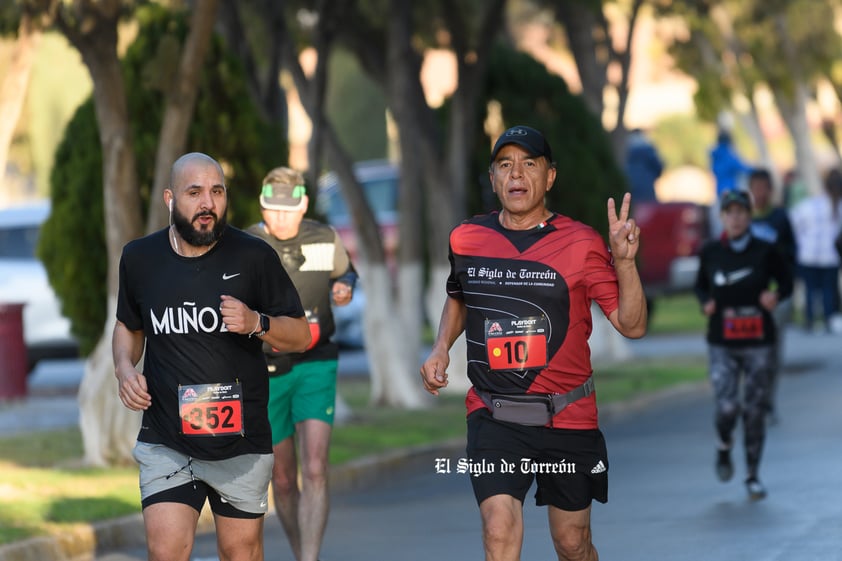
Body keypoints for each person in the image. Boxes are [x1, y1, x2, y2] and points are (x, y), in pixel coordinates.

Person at [420, 125, 647, 561]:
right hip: (494, 414)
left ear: (550, 177)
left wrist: (624, 263)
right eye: (505, 165)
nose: (516, 174)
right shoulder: (467, 238)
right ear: (493, 179)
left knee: (572, 543)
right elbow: (460, 295)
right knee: (498, 530)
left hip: (568, 415)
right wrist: (440, 347)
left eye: (529, 164)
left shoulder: (581, 243)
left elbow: (632, 325)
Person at [113, 152, 311, 561]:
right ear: (171, 199)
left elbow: (301, 334)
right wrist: (123, 368)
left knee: (240, 553)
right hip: (167, 438)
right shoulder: (140, 259)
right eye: (195, 192)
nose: (208, 203)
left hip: (240, 441)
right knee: (165, 550)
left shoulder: (253, 257)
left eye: (217, 192)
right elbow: (129, 326)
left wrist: (257, 321)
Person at [246, 167, 357, 561]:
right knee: (283, 478)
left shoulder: (324, 238)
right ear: (263, 206)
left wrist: (344, 287)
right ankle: (299, 552)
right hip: (268, 369)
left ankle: (310, 558)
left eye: (288, 210)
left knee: (314, 468)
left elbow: (346, 273)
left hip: (316, 361)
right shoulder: (249, 244)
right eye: (273, 210)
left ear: (303, 204)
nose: (280, 218)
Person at [694, 190, 793, 501]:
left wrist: (774, 296)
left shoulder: (766, 250)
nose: (735, 218)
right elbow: (700, 285)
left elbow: (787, 282)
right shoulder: (710, 251)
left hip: (759, 341)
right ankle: (724, 446)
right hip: (722, 341)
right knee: (727, 407)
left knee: (753, 411)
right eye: (730, 212)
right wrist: (706, 302)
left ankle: (752, 475)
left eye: (741, 212)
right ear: (723, 217)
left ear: (749, 216)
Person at [747, 168, 796, 424]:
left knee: (771, 353)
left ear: (770, 189)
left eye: (763, 186)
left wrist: (780, 291)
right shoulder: (741, 218)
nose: (759, 192)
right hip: (745, 300)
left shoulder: (780, 218)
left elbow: (791, 257)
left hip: (774, 298)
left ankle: (767, 402)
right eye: (754, 187)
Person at [789, 168, 842, 334]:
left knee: (810, 290)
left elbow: (794, 222)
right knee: (828, 289)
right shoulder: (838, 207)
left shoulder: (810, 204)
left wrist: (802, 241)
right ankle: (828, 319)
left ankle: (810, 320)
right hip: (830, 256)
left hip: (808, 254)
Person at [709, 130, 752, 238]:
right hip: (731, 192)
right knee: (734, 219)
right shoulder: (728, 155)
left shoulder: (715, 156)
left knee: (723, 220)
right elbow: (743, 168)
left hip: (719, 192)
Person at [623, 128, 664, 203]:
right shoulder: (648, 149)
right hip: (647, 188)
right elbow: (659, 168)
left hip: (630, 188)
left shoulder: (626, 150)